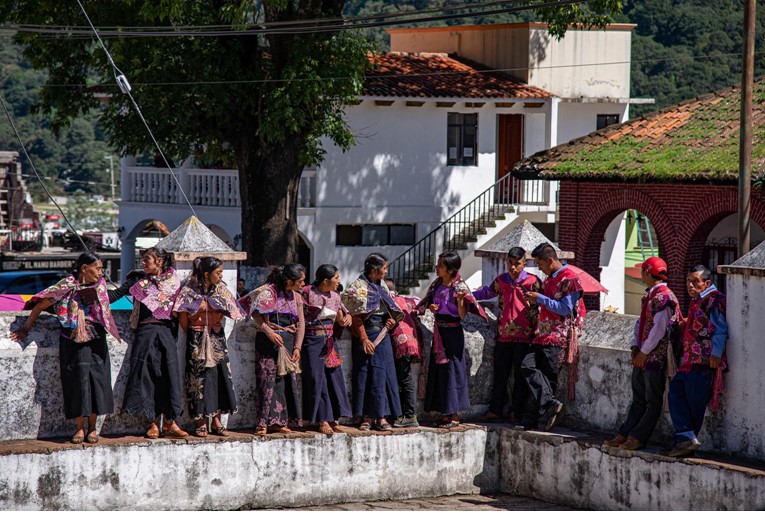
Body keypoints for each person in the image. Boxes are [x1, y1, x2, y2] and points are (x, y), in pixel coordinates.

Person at [11, 252, 122, 444]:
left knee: (97, 381)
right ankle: (79, 428)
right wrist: (25, 329)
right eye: (97, 269)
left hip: (96, 339)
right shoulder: (64, 287)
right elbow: (38, 306)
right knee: (76, 382)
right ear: (84, 269)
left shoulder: (100, 286)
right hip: (71, 340)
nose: (100, 273)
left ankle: (93, 429)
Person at [604, 257, 682, 451]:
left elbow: (659, 328)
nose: (640, 274)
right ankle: (626, 432)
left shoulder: (663, 297)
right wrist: (634, 346)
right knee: (638, 399)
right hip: (643, 355)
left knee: (652, 401)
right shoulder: (650, 296)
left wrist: (644, 351)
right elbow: (641, 324)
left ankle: (638, 437)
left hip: (654, 357)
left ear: (647, 273)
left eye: (642, 271)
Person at [112, 246, 186, 439]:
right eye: (143, 260)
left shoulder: (173, 281)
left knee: (168, 376)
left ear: (159, 262)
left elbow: (181, 308)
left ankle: (170, 422)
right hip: (145, 333)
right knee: (146, 377)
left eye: (147, 260)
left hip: (166, 332)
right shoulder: (138, 281)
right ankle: (152, 423)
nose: (143, 263)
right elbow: (114, 296)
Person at [173, 257, 245, 437]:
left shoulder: (221, 290)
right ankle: (200, 421)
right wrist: (196, 330)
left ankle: (216, 420)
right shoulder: (189, 291)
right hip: (196, 338)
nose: (221, 275)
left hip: (217, 338)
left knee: (219, 377)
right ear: (206, 274)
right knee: (198, 379)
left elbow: (230, 311)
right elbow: (182, 318)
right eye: (218, 272)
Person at [519, 242, 585, 431]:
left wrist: (539, 298)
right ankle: (549, 405)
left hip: (558, 335)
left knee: (547, 377)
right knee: (528, 367)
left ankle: (532, 418)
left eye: (540, 264)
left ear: (549, 260)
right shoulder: (549, 279)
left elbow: (565, 308)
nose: (539, 269)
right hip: (542, 333)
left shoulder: (570, 279)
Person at [472, 246, 542, 423]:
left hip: (525, 336)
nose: (513, 267)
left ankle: (516, 412)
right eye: (510, 263)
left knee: (520, 377)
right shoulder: (501, 280)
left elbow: (544, 302)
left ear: (524, 264)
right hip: (503, 335)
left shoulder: (533, 282)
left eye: (517, 264)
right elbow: (487, 292)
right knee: (500, 375)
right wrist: (469, 295)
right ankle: (496, 410)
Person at [417, 252, 487, 428]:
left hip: (453, 334)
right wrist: (432, 308)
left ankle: (454, 414)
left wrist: (461, 302)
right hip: (438, 332)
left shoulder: (459, 288)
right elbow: (429, 304)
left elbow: (462, 315)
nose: (436, 268)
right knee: (440, 371)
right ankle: (444, 412)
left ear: (450, 269)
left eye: (440, 265)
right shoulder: (437, 285)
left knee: (453, 371)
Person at [665, 265, 728, 458]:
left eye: (695, 281)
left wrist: (716, 354)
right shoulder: (698, 300)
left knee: (694, 404)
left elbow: (721, 329)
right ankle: (685, 438)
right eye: (688, 281)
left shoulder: (713, 300)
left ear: (707, 283)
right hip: (691, 360)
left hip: (704, 361)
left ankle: (684, 442)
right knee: (675, 393)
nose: (690, 285)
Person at [241, 263, 305, 435]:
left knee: (284, 381)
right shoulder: (268, 292)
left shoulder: (297, 297)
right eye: (300, 281)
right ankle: (263, 423)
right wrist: (269, 332)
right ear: (289, 281)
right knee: (266, 381)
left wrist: (297, 347)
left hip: (288, 343)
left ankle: (281, 421)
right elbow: (255, 314)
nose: (303, 284)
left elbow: (301, 324)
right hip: (267, 342)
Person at [342, 253, 404, 431]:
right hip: (366, 336)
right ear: (374, 270)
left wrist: (390, 321)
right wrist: (364, 339)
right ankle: (367, 417)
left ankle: (382, 417)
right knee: (366, 376)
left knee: (382, 375)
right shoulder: (359, 287)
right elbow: (356, 316)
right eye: (384, 268)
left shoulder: (381, 285)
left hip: (382, 336)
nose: (386, 271)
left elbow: (388, 307)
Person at [301, 264, 353, 434]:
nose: (339, 281)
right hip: (311, 340)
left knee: (333, 378)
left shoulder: (336, 296)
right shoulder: (307, 292)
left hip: (329, 342)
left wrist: (346, 319)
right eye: (336, 278)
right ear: (325, 280)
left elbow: (341, 316)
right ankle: (321, 419)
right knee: (317, 380)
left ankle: (333, 418)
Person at [385, 278, 423, 428]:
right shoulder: (404, 299)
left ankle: (410, 416)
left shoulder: (388, 301)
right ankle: (405, 414)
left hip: (400, 343)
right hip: (411, 341)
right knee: (405, 378)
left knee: (405, 379)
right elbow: (419, 305)